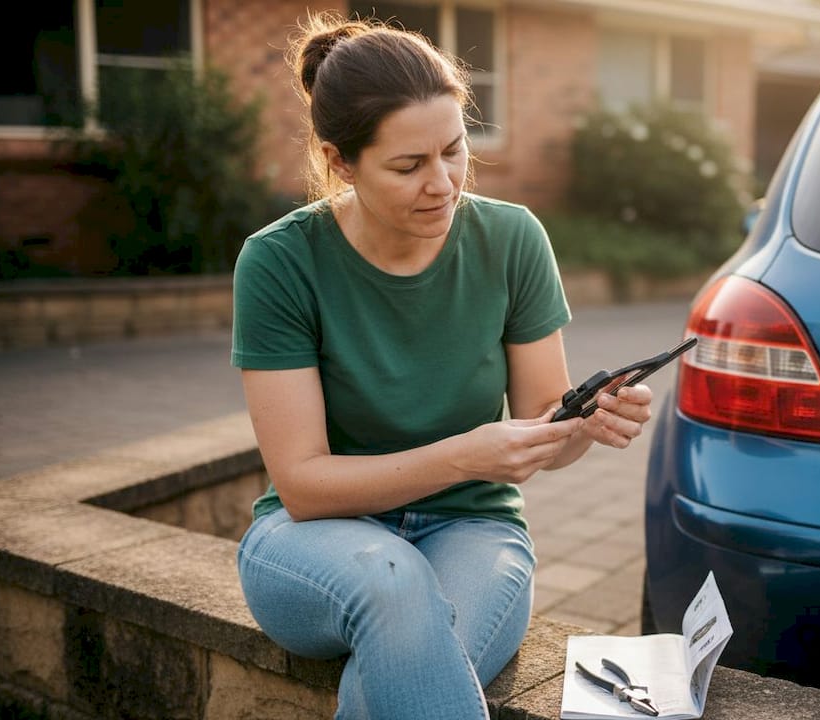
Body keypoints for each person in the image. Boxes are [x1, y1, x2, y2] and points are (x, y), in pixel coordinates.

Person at [230, 11, 653, 720]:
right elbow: (301, 484)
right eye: (408, 166)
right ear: (340, 160)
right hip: (311, 541)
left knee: (401, 662)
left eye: (455, 150)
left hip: (474, 532)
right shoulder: (279, 261)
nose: (444, 183)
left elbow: (544, 433)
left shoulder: (512, 238)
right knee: (393, 583)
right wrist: (463, 456)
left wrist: (588, 421)